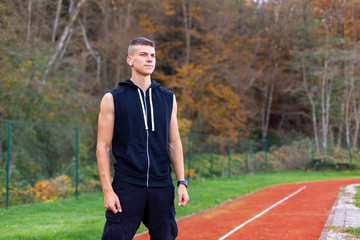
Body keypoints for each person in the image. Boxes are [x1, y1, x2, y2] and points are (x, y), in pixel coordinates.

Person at [96, 37, 189, 240]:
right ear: (130, 60)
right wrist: (107, 191)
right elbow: (102, 146)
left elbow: (174, 142)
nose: (150, 60)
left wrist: (182, 182)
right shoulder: (113, 98)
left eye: (153, 56)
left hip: (161, 185)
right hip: (127, 185)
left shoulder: (168, 98)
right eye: (143, 55)